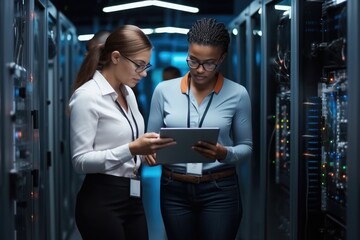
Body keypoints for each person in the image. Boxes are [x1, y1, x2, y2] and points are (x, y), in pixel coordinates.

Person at [145, 18, 253, 240]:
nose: (200, 70)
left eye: (209, 63)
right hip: (173, 187)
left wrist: (225, 153)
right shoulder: (163, 91)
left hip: (219, 189)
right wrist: (150, 152)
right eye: (193, 61)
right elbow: (150, 139)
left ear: (222, 58)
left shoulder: (238, 93)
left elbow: (247, 147)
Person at [69, 25, 175, 240]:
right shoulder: (88, 96)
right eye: (139, 65)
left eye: (147, 66)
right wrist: (132, 148)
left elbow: (130, 142)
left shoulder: (128, 92)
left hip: (133, 196)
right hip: (102, 200)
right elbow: (79, 161)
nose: (144, 73)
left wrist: (144, 153)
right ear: (116, 57)